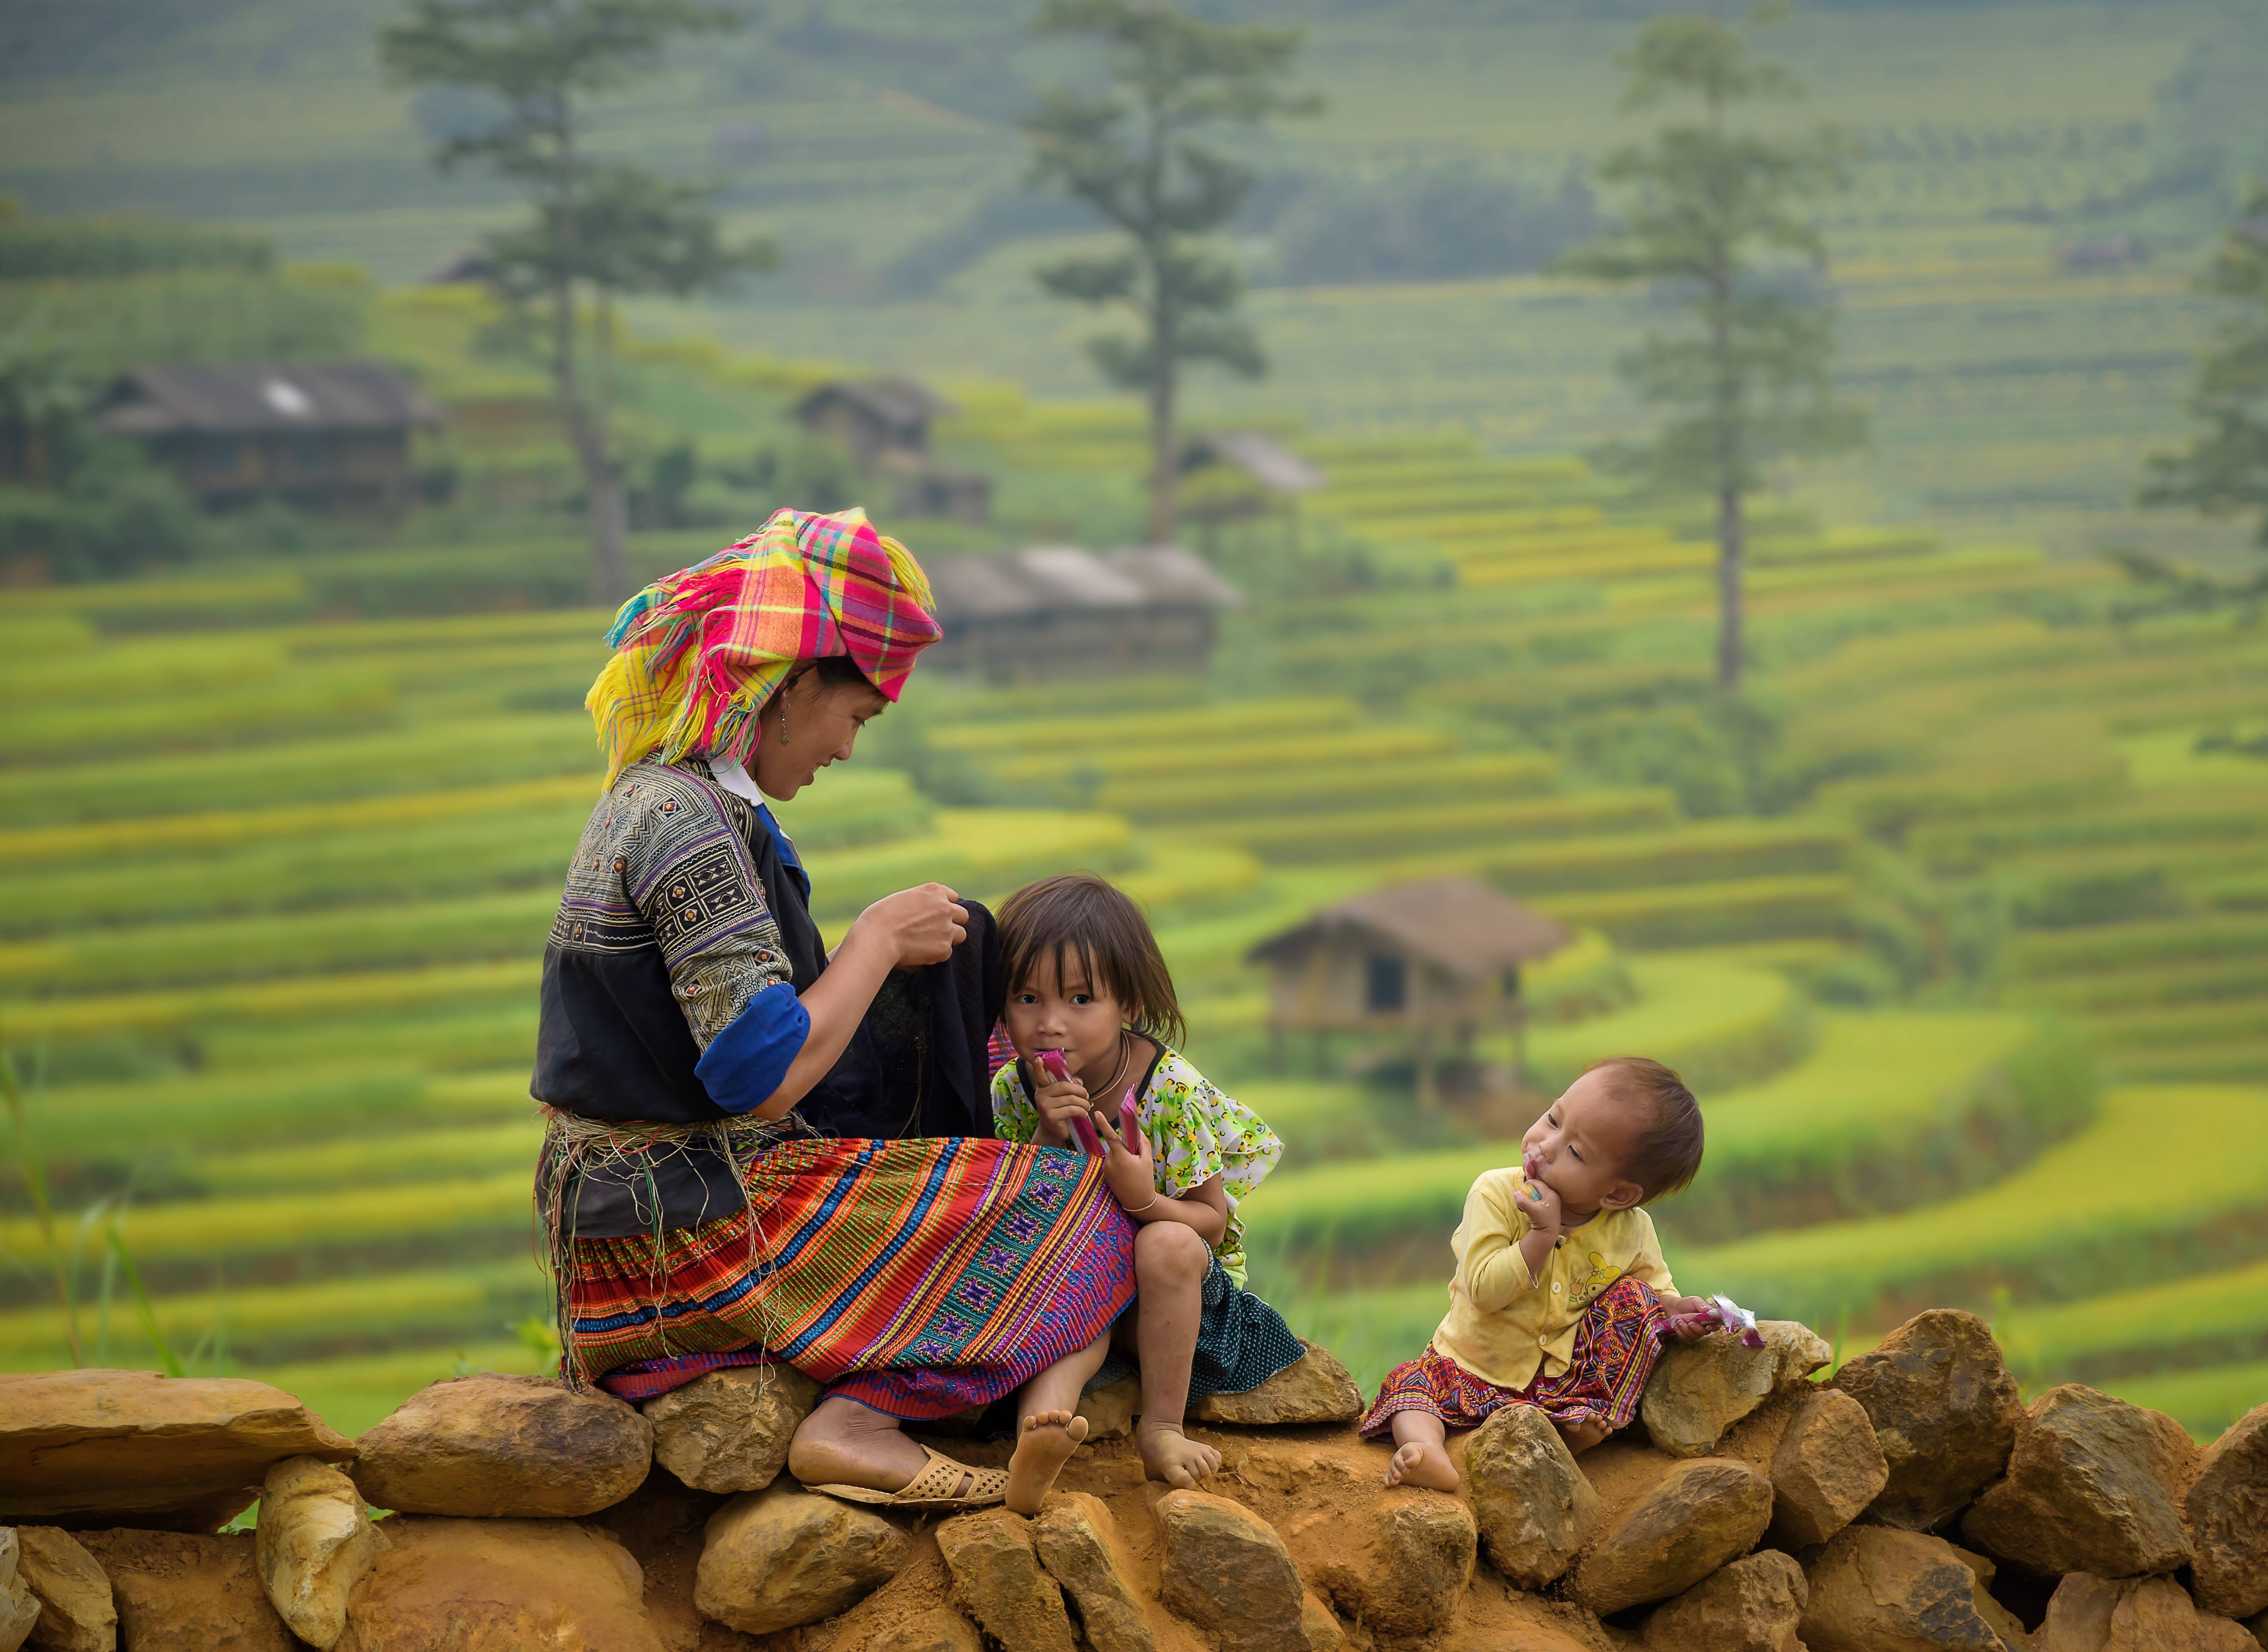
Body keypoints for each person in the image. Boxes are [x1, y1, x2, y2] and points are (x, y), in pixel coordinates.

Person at [532, 506, 1135, 1513]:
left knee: (961, 948)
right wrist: (871, 943)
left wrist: (912, 955)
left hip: (650, 1205)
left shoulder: (676, 799)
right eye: (854, 718)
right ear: (794, 682)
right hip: (682, 1228)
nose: (848, 749)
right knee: (1086, 1215)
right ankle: (864, 1421)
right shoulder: (687, 821)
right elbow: (759, 1078)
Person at [989, 873, 1304, 1491]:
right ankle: (1036, 1437)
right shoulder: (1013, 1090)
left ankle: (1162, 1427)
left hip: (1180, 1293)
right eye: (1027, 999)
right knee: (1079, 1260)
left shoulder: (1169, 1091)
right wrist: (1048, 1141)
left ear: (1128, 1006)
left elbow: (1211, 1226)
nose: (1050, 1024)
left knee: (1165, 1242)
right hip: (1086, 1291)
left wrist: (1144, 1200)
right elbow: (1019, 1216)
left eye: (1081, 1001)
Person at [1361, 1056, 1722, 1491]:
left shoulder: (1634, 1230)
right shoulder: (1496, 1193)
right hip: (1467, 1370)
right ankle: (1426, 1451)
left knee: (1638, 1300)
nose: (1545, 1145)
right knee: (1413, 1389)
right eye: (1553, 1119)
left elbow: (1656, 1289)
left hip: (1556, 1388)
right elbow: (1484, 1291)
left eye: (1574, 1152)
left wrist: (1676, 1309)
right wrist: (1540, 1236)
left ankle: (1563, 1434)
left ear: (1618, 1193)